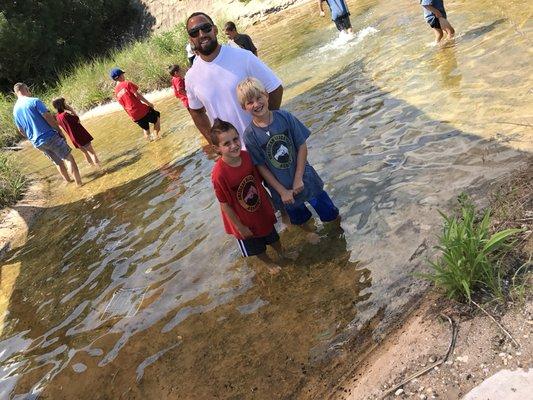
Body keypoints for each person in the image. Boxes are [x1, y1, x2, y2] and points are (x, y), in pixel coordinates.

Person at [238, 77, 339, 227]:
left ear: (266, 95)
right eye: (250, 102)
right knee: (301, 222)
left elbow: (302, 146)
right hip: (283, 191)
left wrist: (298, 177)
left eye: (259, 98)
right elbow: (261, 167)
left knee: (331, 215)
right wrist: (282, 191)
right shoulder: (249, 135)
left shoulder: (285, 117)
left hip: (305, 179)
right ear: (243, 107)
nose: (256, 104)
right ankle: (312, 237)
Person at [184, 12, 283, 144]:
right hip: (233, 157)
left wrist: (267, 125)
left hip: (264, 144)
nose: (201, 34)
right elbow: (196, 112)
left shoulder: (243, 57)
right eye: (194, 32)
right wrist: (215, 144)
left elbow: (275, 89)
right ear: (191, 39)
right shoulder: (191, 77)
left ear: (215, 30)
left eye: (206, 28)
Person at [210, 118, 283, 275]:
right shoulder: (219, 174)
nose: (234, 145)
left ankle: (282, 253)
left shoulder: (247, 157)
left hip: (260, 210)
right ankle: (268, 263)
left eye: (235, 139)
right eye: (227, 144)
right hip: (242, 219)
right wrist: (240, 226)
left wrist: (270, 201)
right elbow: (224, 204)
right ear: (217, 149)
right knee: (255, 246)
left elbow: (258, 182)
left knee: (273, 236)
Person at [12, 83, 82, 186]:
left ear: (16, 93)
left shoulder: (15, 110)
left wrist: (31, 139)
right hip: (49, 136)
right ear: (26, 89)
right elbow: (47, 116)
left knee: (58, 162)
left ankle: (69, 183)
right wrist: (59, 130)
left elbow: (21, 130)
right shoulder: (34, 101)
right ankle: (79, 184)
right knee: (68, 158)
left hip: (37, 143)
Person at [110, 68, 161, 141]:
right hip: (141, 109)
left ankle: (151, 142)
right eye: (123, 74)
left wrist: (131, 116)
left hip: (133, 115)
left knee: (146, 129)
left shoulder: (116, 92)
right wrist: (149, 103)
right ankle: (156, 137)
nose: (124, 76)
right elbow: (137, 95)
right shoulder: (127, 83)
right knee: (157, 117)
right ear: (120, 76)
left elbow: (123, 106)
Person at [52, 97, 101, 169]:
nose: (66, 104)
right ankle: (100, 168)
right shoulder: (66, 115)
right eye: (65, 103)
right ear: (62, 105)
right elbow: (78, 120)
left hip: (74, 139)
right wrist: (71, 110)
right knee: (92, 153)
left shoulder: (58, 117)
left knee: (85, 153)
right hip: (81, 136)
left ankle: (92, 167)